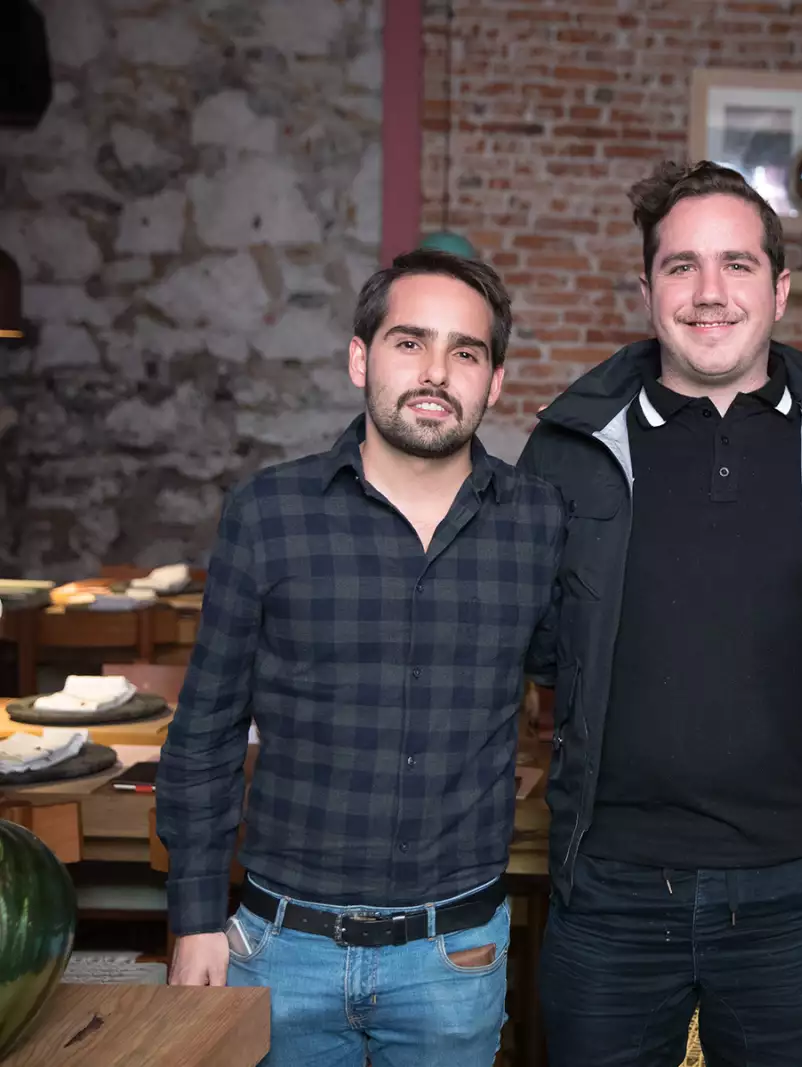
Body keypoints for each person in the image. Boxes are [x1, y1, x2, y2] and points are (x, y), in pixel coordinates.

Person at [157, 249, 563, 1067]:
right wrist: (196, 918)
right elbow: (205, 730)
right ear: (360, 357)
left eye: (466, 352)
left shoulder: (541, 523)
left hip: (454, 957)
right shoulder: (269, 513)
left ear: (496, 381)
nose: (437, 372)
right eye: (410, 342)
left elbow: (581, 704)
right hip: (276, 952)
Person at [517, 160, 802, 1067]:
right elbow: (530, 647)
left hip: (795, 891)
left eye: (738, 265)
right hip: (610, 889)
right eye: (681, 266)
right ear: (646, 290)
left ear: (780, 288)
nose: (709, 293)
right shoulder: (568, 447)